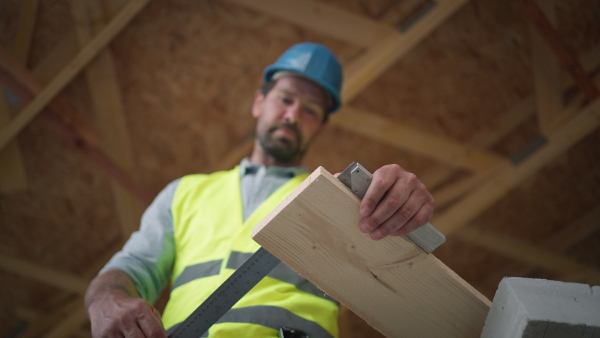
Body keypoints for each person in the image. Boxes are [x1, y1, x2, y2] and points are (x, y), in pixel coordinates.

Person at [85, 42, 435, 338]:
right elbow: (130, 268)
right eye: (285, 99)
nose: (293, 115)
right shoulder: (184, 192)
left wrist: (403, 207)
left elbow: (402, 276)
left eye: (310, 109)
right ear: (258, 103)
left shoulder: (337, 198)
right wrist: (106, 298)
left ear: (320, 129)